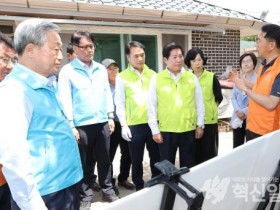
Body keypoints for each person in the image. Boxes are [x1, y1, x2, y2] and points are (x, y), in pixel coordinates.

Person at [0, 19, 83, 210]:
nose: (60, 56)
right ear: (31, 50)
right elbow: (13, 158)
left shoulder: (46, 84)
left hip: (66, 184)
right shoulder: (15, 92)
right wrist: (33, 205)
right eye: (55, 49)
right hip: (45, 194)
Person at [58, 30, 118, 204]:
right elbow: (65, 99)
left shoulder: (100, 69)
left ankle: (107, 190)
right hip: (81, 125)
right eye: (84, 47)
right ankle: (85, 195)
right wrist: (71, 124)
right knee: (84, 162)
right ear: (76, 49)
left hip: (101, 122)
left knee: (105, 159)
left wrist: (110, 116)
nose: (89, 50)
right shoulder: (67, 71)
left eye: (91, 46)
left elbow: (107, 93)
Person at [148, 42, 204, 168]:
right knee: (167, 167)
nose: (178, 60)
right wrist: (155, 130)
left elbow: (199, 103)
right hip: (166, 130)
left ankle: (186, 188)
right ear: (165, 59)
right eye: (174, 57)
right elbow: (151, 106)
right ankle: (169, 189)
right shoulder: (157, 79)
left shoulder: (191, 77)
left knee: (189, 165)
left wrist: (200, 124)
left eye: (180, 56)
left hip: (188, 129)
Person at [115, 41, 160, 191]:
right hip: (134, 126)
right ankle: (139, 187)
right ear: (128, 57)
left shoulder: (153, 75)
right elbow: (119, 103)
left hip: (153, 123)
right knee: (137, 159)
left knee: (156, 157)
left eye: (142, 55)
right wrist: (124, 125)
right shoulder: (122, 77)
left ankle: (157, 183)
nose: (140, 58)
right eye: (136, 56)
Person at [232, 24, 280, 141]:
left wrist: (244, 88)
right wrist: (240, 80)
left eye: (259, 40)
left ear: (271, 45)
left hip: (267, 132)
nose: (256, 44)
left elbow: (271, 103)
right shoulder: (263, 65)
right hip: (253, 126)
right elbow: (260, 89)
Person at [184, 47, 223, 165]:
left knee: (210, 152)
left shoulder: (211, 76)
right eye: (194, 60)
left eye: (199, 60)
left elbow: (218, 97)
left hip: (209, 121)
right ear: (189, 62)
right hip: (192, 121)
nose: (197, 63)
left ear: (203, 61)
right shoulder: (186, 78)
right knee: (194, 152)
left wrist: (210, 109)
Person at [102, 58, 135, 192]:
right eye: (110, 69)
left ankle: (123, 178)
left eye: (115, 68)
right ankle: (109, 182)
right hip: (111, 125)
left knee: (127, 153)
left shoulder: (123, 83)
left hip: (125, 123)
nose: (113, 71)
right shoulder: (102, 87)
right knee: (109, 155)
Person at [0, 32, 16, 210]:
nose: (10, 66)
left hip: (7, 179)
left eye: (12, 60)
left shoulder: (8, 90)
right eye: (4, 59)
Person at [230, 53, 257, 147]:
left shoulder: (258, 80)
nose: (246, 64)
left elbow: (257, 98)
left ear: (254, 64)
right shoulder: (238, 79)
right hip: (238, 117)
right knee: (237, 146)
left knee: (251, 146)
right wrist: (238, 110)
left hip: (252, 117)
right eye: (243, 62)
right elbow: (233, 97)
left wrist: (245, 111)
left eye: (249, 61)